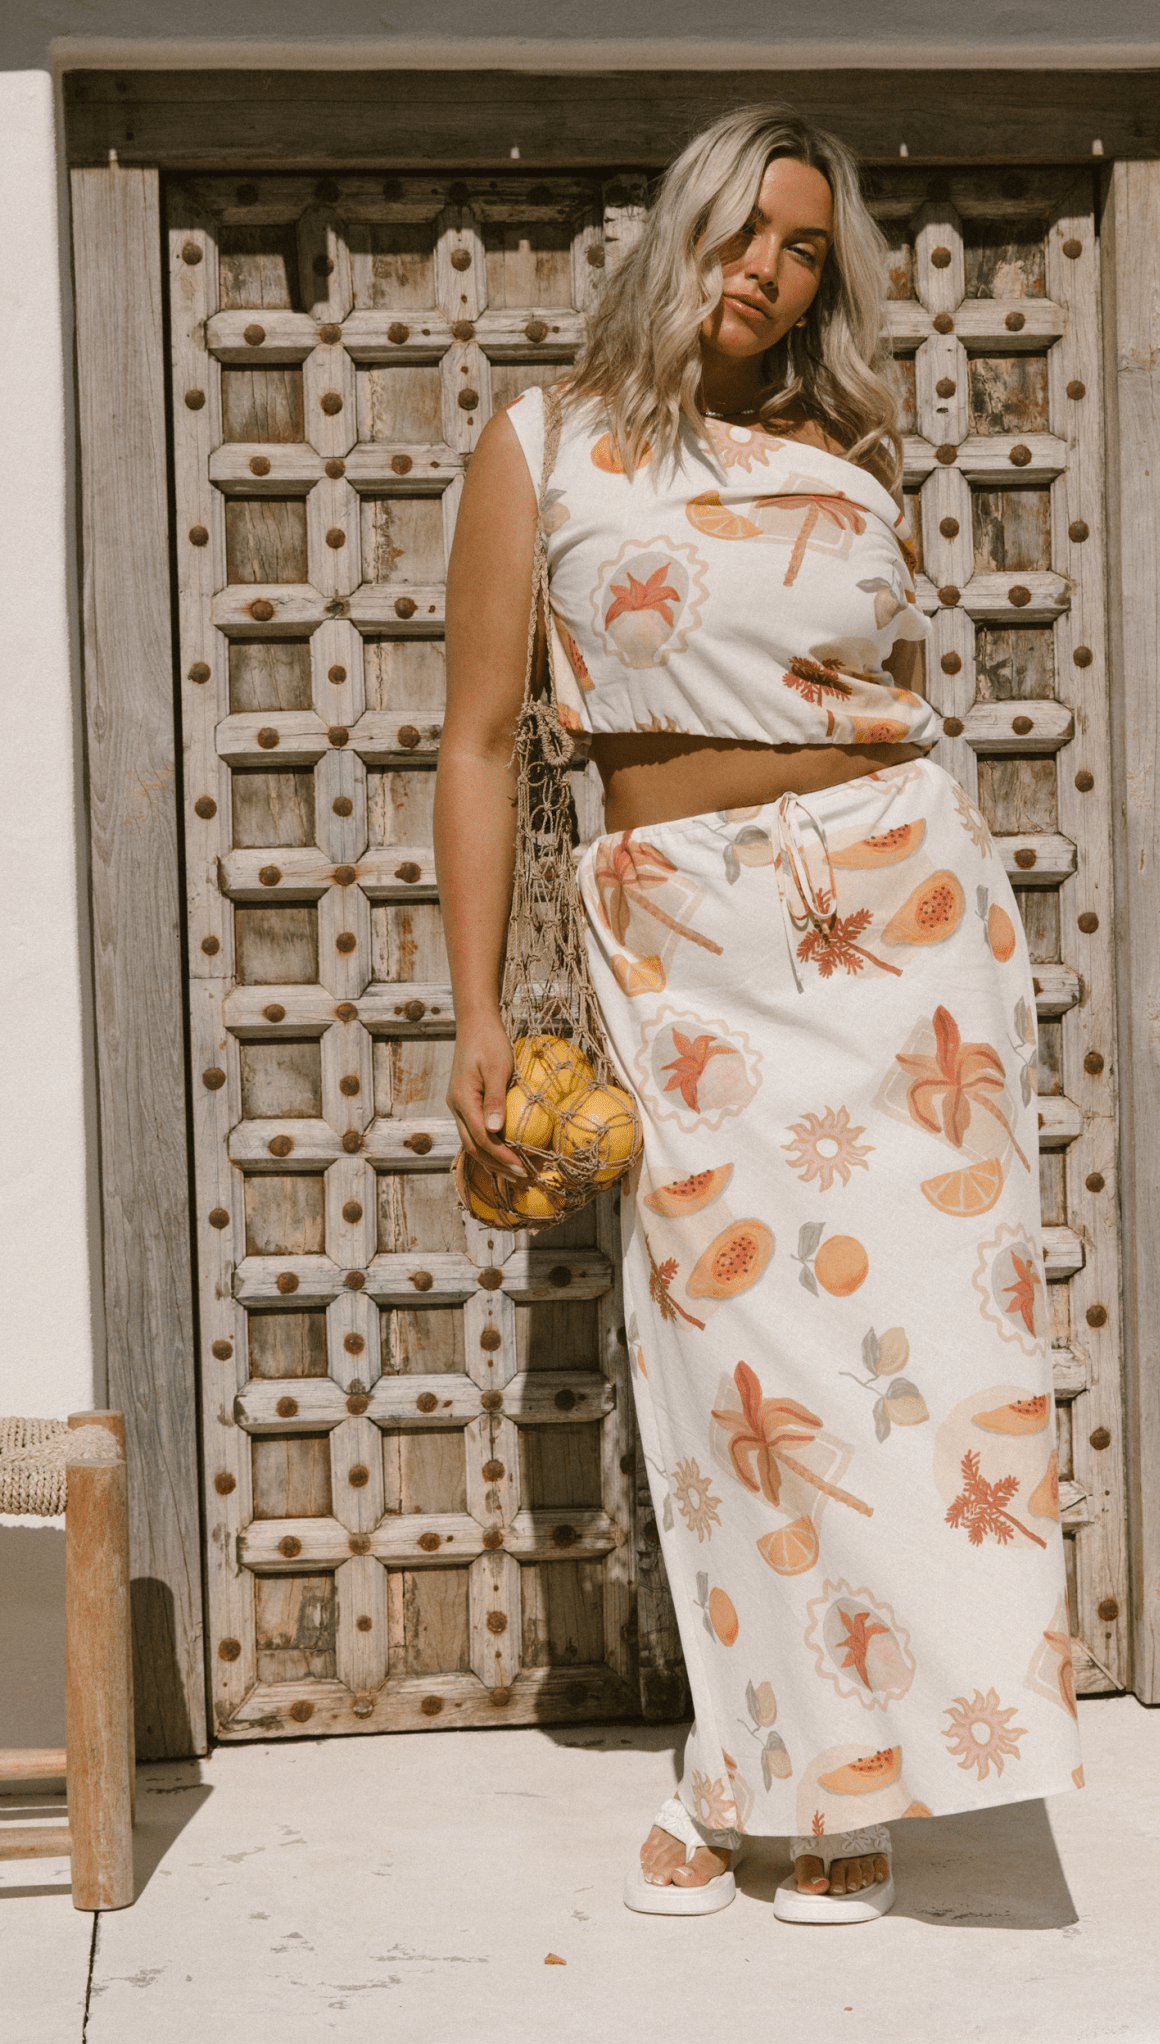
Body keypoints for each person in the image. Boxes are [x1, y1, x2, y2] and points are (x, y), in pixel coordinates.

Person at [437, 105, 1083, 1926]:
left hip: (894, 922)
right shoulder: (544, 443)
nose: (771, 272)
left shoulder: (845, 444)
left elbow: (878, 691)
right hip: (682, 940)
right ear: (679, 230)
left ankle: (867, 1776)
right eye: (744, 231)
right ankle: (746, 1768)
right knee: (736, 1370)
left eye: (806, 249)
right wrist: (471, 1009)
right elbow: (475, 741)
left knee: (923, 1371)